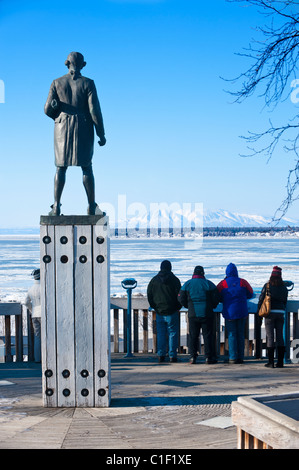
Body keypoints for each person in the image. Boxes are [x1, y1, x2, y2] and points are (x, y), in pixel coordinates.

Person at [44, 51, 106, 216]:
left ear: (66, 63)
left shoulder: (56, 83)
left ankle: (56, 206)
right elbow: (94, 111)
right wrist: (101, 133)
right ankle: (92, 206)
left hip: (61, 128)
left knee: (60, 168)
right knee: (87, 167)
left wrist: (56, 106)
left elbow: (47, 110)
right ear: (83, 65)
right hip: (83, 127)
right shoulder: (88, 83)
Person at [178, 266, 220, 364]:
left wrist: (188, 306)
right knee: (208, 336)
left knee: (193, 336)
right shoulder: (208, 284)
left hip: (193, 314)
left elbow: (180, 298)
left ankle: (193, 357)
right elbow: (216, 297)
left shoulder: (187, 284)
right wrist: (212, 306)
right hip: (207, 314)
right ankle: (209, 357)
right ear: (203, 273)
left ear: (193, 273)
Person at [217, 263, 254, 364]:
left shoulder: (223, 283)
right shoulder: (242, 281)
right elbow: (250, 293)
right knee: (241, 334)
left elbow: (217, 295)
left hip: (229, 312)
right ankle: (240, 357)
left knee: (232, 334)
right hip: (242, 311)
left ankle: (232, 357)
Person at [147, 260, 181, 363]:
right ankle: (172, 355)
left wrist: (155, 306)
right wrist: (177, 307)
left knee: (161, 333)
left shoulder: (154, 280)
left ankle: (161, 354)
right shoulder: (175, 280)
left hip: (159, 312)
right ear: (170, 268)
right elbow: (180, 295)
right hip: (172, 311)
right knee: (173, 333)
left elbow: (150, 295)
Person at [257, 266, 288, 368]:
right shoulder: (284, 287)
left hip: (270, 313)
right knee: (280, 337)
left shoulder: (268, 286)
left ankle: (271, 362)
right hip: (280, 313)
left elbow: (261, 299)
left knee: (270, 337)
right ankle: (280, 362)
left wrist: (259, 314)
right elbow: (285, 301)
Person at [24, 269, 41, 363]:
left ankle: (37, 358)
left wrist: (32, 309)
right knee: (48, 336)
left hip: (35, 314)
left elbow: (26, 302)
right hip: (45, 315)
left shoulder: (31, 288)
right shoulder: (45, 287)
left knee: (37, 336)